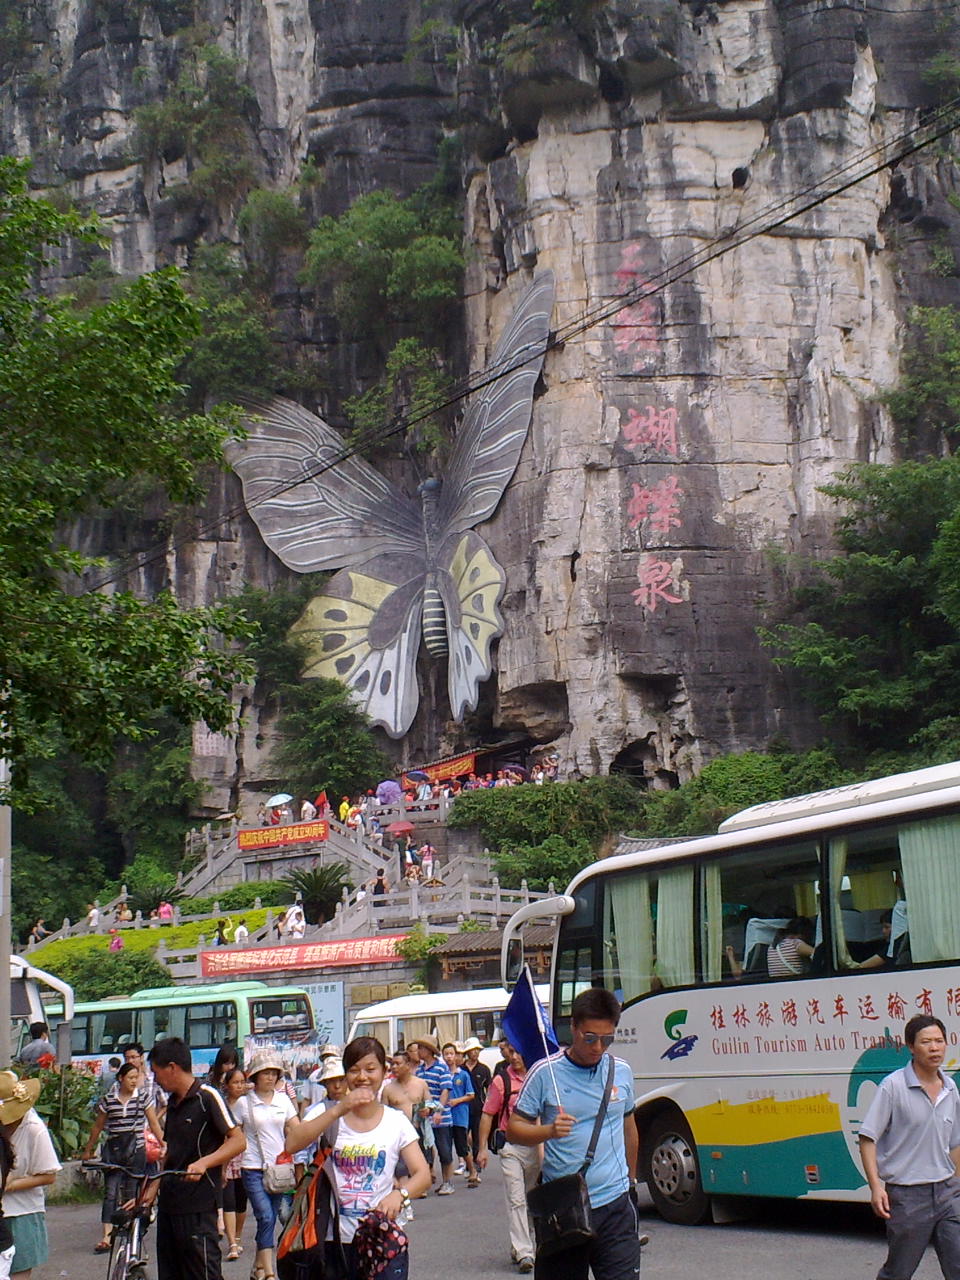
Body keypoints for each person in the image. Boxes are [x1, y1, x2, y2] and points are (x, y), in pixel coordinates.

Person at [508, 987, 640, 1280]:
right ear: (573, 1028)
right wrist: (547, 1131)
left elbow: (629, 1128)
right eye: (589, 1038)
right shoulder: (545, 1073)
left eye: (607, 1039)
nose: (598, 1048)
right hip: (565, 1208)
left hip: (616, 1206)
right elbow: (514, 1130)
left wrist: (630, 1182)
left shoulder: (621, 1071)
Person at [284, 1037, 431, 1280]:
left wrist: (400, 1195)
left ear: (384, 1072)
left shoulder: (395, 1121)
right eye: (354, 1070)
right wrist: (340, 1109)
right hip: (333, 1240)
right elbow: (292, 1144)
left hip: (380, 1238)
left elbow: (422, 1174)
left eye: (370, 1069)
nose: (362, 1077)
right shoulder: (326, 1113)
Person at [859, 1014, 960, 1280]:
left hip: (948, 1193)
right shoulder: (893, 1086)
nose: (934, 1048)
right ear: (911, 1047)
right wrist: (876, 1187)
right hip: (908, 1196)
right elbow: (868, 1138)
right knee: (899, 1272)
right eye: (926, 1042)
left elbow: (956, 1143)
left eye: (939, 1041)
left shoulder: (950, 1088)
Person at [144, 1037, 245, 1280]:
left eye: (156, 1072)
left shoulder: (207, 1096)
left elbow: (238, 1141)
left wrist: (204, 1163)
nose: (155, 1080)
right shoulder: (172, 1102)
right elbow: (170, 1152)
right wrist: (151, 1189)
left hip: (199, 1208)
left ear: (172, 1067)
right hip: (169, 1206)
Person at [80, 1062, 164, 1253]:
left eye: (136, 1077)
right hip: (113, 1151)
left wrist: (163, 1143)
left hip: (137, 1151)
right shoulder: (108, 1100)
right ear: (120, 1078)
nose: (134, 1081)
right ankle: (107, 1236)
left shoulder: (143, 1098)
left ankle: (130, 1231)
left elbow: (153, 1123)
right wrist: (88, 1149)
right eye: (130, 1078)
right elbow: (98, 1126)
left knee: (132, 1192)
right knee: (110, 1192)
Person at [236, 1051, 298, 1280]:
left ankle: (258, 1267)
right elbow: (232, 1133)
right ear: (256, 1076)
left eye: (274, 1073)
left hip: (278, 1170)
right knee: (266, 1217)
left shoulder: (283, 1100)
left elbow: (296, 1127)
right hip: (252, 1167)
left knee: (269, 1219)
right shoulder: (244, 1103)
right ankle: (270, 1273)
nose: (270, 1077)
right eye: (265, 1073)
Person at [477, 1044, 537, 1272]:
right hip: (510, 1147)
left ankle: (522, 1242)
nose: (514, 1056)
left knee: (532, 1198)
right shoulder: (501, 1081)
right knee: (516, 1199)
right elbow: (487, 1114)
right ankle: (524, 1252)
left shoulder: (538, 1076)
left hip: (536, 1146)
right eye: (510, 1052)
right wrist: (482, 1148)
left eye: (518, 1051)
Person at [0, 1070, 60, 1280]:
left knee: (19, 1273)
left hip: (22, 1212)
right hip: (2, 1212)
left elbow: (49, 1176)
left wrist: (9, 1184)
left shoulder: (34, 1129)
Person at [413, 1037, 454, 1195]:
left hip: (441, 1118)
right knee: (424, 1152)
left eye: (421, 1048)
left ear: (429, 1050)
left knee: (445, 1152)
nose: (418, 1051)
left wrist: (439, 1111)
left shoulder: (441, 1068)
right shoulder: (419, 1070)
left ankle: (447, 1182)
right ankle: (424, 1184)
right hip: (424, 1118)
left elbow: (445, 1090)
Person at [219, 1068, 250, 1262]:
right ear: (227, 1085)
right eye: (235, 1082)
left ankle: (237, 1236)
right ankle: (232, 1243)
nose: (239, 1086)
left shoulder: (248, 1104)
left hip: (245, 1158)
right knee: (228, 1201)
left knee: (241, 1202)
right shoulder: (221, 1105)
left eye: (242, 1082)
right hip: (226, 1157)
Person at [442, 1043, 475, 1181]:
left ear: (456, 1056)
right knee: (445, 1149)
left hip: (459, 1116)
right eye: (446, 1054)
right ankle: (447, 1180)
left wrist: (457, 1101)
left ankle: (473, 1171)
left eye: (451, 1054)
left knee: (462, 1147)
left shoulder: (463, 1075)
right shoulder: (442, 1074)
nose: (449, 1057)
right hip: (444, 1117)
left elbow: (471, 1095)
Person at [462, 1036, 491, 1185]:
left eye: (477, 1050)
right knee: (462, 1139)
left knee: (477, 1140)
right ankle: (468, 1165)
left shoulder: (484, 1069)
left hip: (478, 1108)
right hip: (462, 1108)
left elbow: (489, 1089)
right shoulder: (461, 1069)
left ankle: (476, 1169)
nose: (475, 1053)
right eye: (473, 1050)